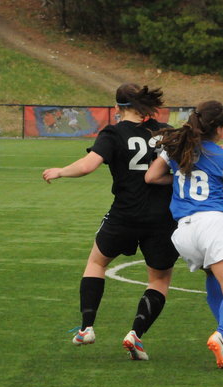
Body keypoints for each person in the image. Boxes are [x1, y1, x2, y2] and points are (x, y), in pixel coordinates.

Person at [42, 83, 179, 361]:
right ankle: (135, 335)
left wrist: (60, 171)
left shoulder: (114, 133)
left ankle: (86, 327)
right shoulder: (166, 131)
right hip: (162, 218)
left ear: (117, 108)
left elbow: (88, 165)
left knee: (96, 263)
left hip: (124, 214)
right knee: (159, 279)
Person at [145, 100, 223, 370]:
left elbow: (151, 177)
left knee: (212, 275)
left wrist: (181, 177)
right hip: (212, 224)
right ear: (220, 128)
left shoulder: (176, 148)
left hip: (183, 232)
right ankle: (222, 335)